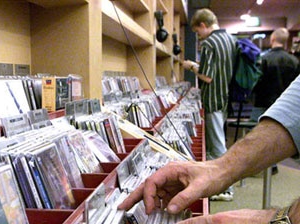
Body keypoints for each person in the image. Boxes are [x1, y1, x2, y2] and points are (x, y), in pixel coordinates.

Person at [118, 74, 300, 223]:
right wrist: (219, 169)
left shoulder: (211, 45)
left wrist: (279, 220)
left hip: (214, 102)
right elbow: (293, 112)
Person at [181, 8, 236, 201]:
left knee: (216, 146)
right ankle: (223, 186)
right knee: (219, 141)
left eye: (197, 31)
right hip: (224, 96)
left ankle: (225, 189)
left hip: (212, 98)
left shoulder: (209, 43)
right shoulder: (229, 39)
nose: (198, 35)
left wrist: (192, 66)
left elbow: (207, 76)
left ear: (203, 25)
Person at [250, 27, 300, 174]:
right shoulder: (294, 61)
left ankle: (258, 165)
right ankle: (272, 164)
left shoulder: (264, 59)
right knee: (280, 136)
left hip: (263, 102)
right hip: (286, 106)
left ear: (272, 39)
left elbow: (256, 82)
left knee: (258, 136)